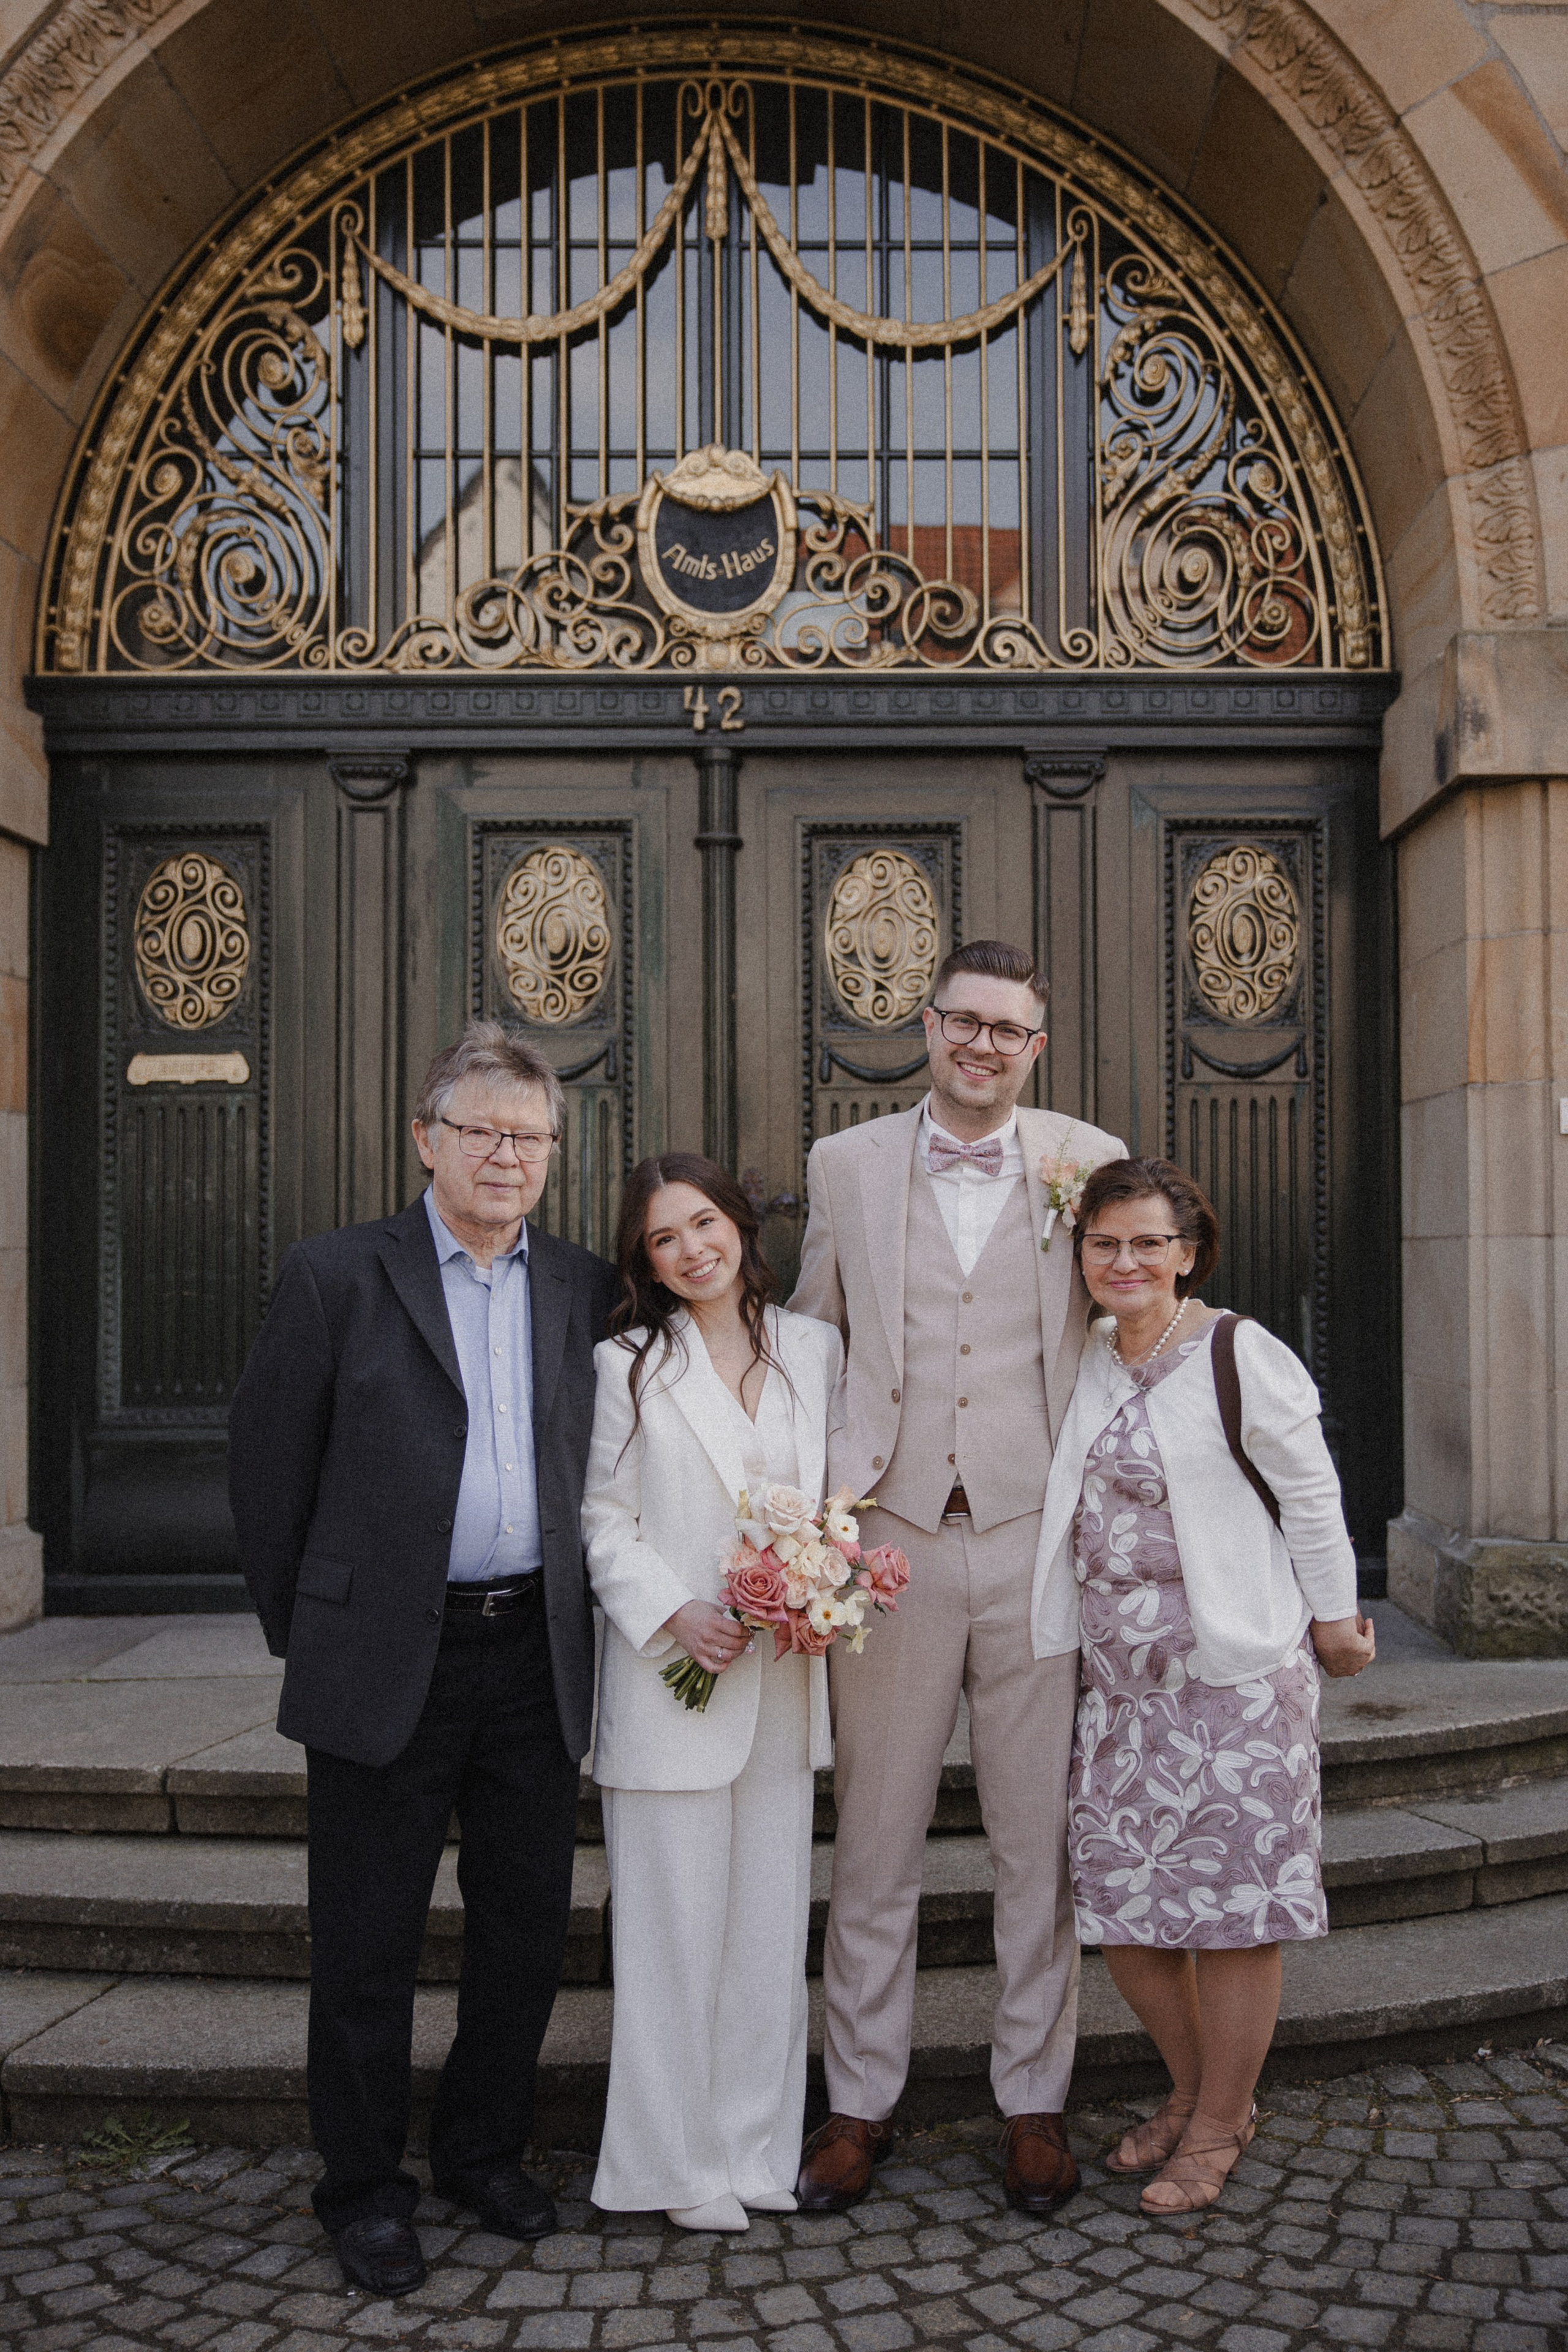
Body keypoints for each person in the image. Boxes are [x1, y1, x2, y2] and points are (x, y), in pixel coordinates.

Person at [228, 1022, 617, 2297]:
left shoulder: (580, 1285)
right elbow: (268, 1474)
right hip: (386, 1660)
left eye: (530, 1138)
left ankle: (479, 2152)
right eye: (483, 1132)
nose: (508, 1156)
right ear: (425, 1140)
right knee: (365, 1944)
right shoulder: (337, 1275)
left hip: (531, 1661)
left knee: (520, 1933)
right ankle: (361, 2187)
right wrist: (325, 1631)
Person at [788, 940, 1125, 2215]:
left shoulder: (1082, 1160)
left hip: (1037, 1531)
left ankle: (1032, 2102)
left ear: (1034, 1047)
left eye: (1007, 1031)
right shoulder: (846, 1165)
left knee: (1034, 1843)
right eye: (962, 1023)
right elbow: (814, 1343)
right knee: (874, 1840)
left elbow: (1128, 1317)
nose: (982, 1046)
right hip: (894, 1536)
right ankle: (856, 2106)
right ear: (925, 1027)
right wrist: (814, 1516)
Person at [1029, 1156, 1375, 2216]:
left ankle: (1222, 2119)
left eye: (1147, 1243)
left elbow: (1311, 1494)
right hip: (1121, 1692)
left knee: (1230, 1913)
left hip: (1233, 1678)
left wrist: (1334, 1613)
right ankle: (1191, 2091)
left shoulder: (1236, 1351)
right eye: (1104, 1243)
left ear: (1187, 1254)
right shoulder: (1086, 1356)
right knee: (1127, 1911)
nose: (1124, 1261)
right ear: (1080, 1253)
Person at [582, 1155, 842, 2231]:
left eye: (705, 1223)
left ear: (740, 1224)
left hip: (781, 1689)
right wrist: (674, 1612)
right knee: (671, 1943)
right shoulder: (627, 1365)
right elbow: (603, 1519)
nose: (693, 1250)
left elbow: (834, 1500)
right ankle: (670, 2168)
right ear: (645, 1261)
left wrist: (826, 1578)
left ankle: (751, 2151)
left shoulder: (813, 1351)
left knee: (768, 1942)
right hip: (669, 1691)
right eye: (664, 1239)